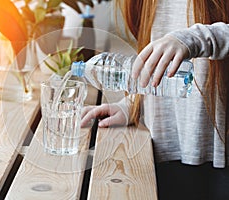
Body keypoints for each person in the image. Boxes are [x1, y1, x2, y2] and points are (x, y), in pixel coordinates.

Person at [81, 1, 229, 200]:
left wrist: (196, 38)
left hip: (217, 157)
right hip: (163, 152)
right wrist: (133, 106)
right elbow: (159, 67)